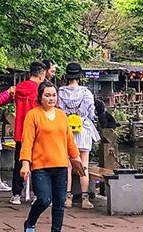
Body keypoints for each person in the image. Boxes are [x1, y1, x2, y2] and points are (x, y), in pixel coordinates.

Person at [20, 82, 83, 232]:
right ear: (40, 97)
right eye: (47, 95)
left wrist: (76, 158)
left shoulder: (61, 115)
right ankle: (30, 222)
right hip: (41, 166)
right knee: (43, 199)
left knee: (59, 203)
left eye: (54, 95)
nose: (51, 98)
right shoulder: (33, 115)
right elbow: (27, 141)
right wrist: (25, 163)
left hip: (61, 165)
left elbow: (69, 140)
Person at [58, 63, 98, 209]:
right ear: (80, 75)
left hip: (67, 130)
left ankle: (67, 198)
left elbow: (59, 111)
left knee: (68, 166)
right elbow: (91, 114)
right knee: (83, 165)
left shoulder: (60, 92)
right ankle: (85, 198)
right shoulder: (87, 93)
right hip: (84, 129)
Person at [11, 61, 48, 204]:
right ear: (42, 74)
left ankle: (16, 194)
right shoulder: (40, 91)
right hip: (36, 132)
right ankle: (37, 194)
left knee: (19, 163)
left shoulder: (19, 88)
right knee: (38, 164)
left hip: (20, 131)